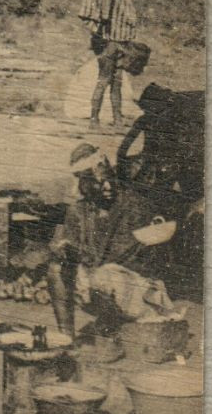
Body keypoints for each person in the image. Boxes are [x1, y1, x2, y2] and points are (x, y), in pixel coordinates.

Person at [47, 142, 176, 338]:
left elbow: (126, 256)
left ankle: (113, 325)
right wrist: (64, 250)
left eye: (109, 179)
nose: (107, 186)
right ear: (85, 184)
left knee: (103, 275)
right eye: (98, 182)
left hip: (135, 288)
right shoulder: (79, 210)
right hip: (96, 281)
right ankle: (67, 337)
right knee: (56, 270)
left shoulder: (135, 205)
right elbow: (67, 243)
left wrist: (83, 265)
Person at [79, 0, 138, 128]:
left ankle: (118, 120)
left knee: (118, 81)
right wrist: (102, 32)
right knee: (105, 79)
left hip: (122, 37)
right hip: (110, 37)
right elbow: (103, 6)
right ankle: (94, 120)